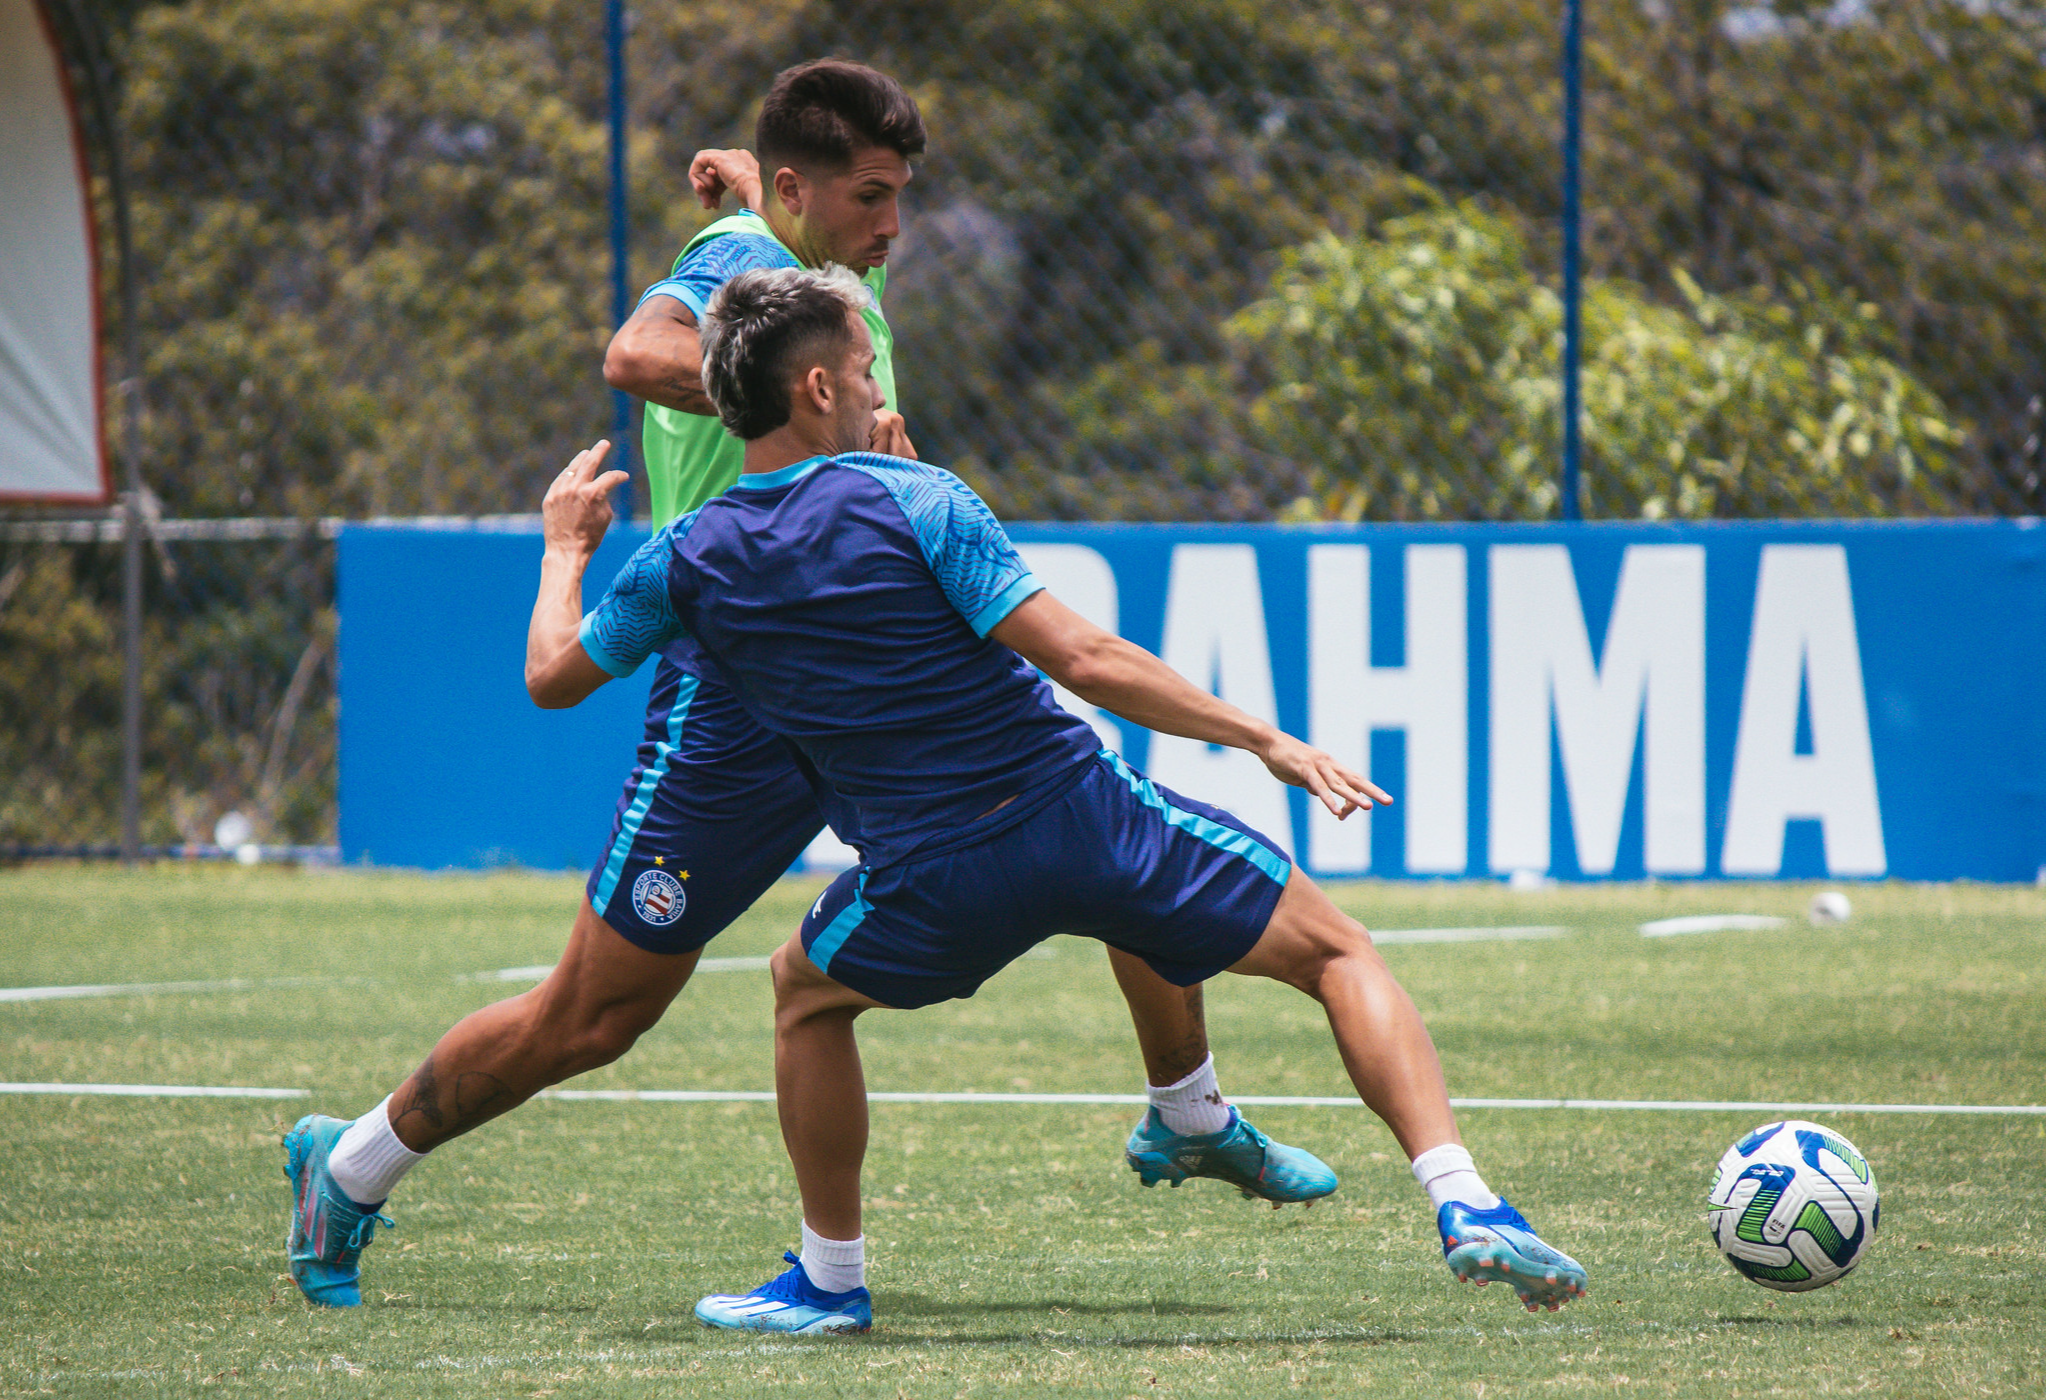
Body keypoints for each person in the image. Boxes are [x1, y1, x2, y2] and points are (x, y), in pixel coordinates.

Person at [281, 60, 1331, 1311]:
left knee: (1079, 806)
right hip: (736, 688)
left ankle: (1187, 1109)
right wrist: (781, 399)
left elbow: (785, 227)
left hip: (860, 637)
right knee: (594, 1016)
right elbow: (635, 347)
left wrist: (757, 204)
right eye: (872, 199)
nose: (892, 228)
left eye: (897, 198)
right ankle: (349, 1167)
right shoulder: (745, 269)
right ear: (795, 195)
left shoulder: (815, 258)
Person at [524, 264, 1592, 1336]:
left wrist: (565, 550)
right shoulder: (919, 495)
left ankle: (830, 1279)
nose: (875, 391)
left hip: (928, 877)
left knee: (805, 992)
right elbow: (1082, 655)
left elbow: (555, 675)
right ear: (811, 388)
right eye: (861, 369)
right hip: (1081, 821)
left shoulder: (682, 559)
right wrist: (1261, 735)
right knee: (1338, 951)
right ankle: (1461, 1198)